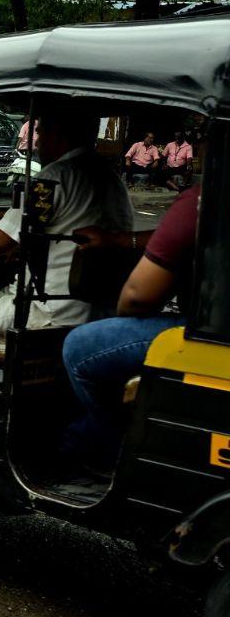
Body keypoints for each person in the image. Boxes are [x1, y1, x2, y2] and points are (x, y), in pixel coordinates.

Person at [0, 109, 133, 336]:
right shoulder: (113, 181)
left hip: (47, 314)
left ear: (57, 135)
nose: (35, 143)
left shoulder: (54, 177)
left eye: (39, 133)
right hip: (99, 315)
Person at [61, 183, 202, 469]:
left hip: (211, 335)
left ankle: (119, 454)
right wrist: (120, 241)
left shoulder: (204, 198)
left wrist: (123, 313)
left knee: (82, 346)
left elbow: (137, 299)